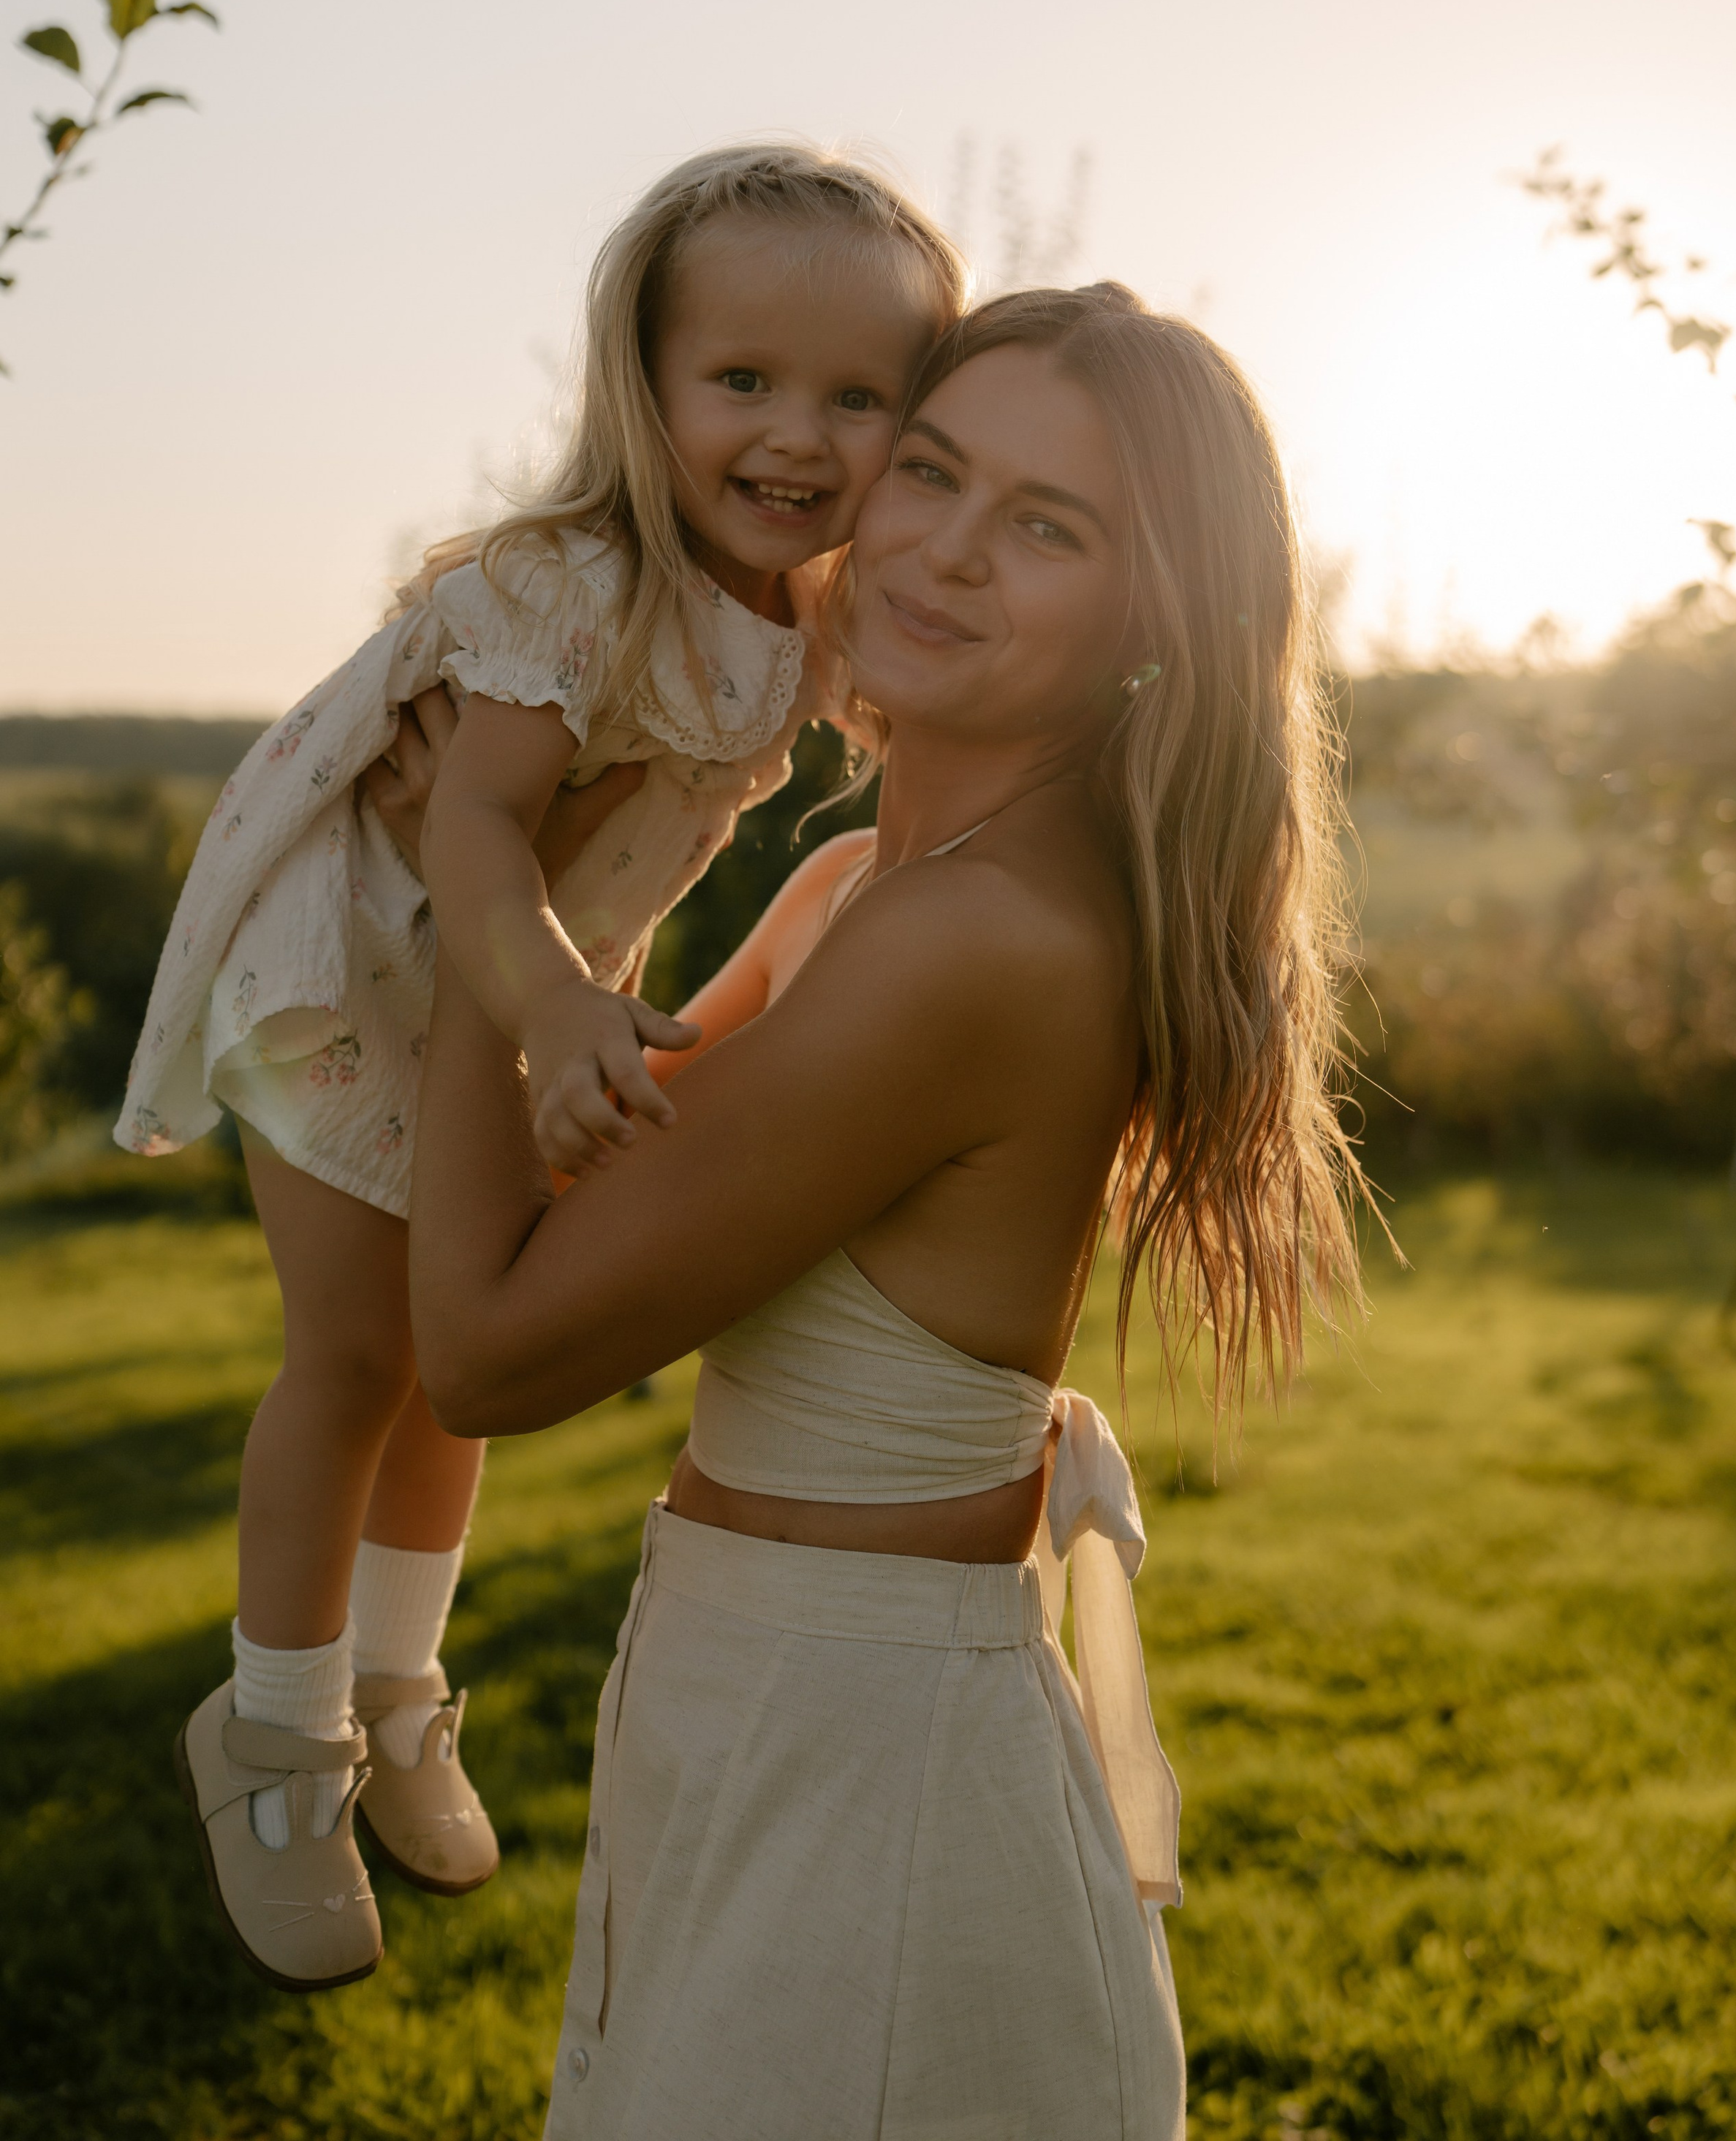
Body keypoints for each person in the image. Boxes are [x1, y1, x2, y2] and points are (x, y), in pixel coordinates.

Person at [399, 280, 1368, 2138]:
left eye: (1045, 526)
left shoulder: (971, 941)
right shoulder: (864, 877)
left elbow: (489, 1343)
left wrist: (484, 871)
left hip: (872, 1780)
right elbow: (572, 1170)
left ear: (1151, 620)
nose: (937, 550)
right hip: (760, 1693)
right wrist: (538, 942)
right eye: (928, 473)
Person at [143, 144, 966, 1990]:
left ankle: (396, 1684)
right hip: (361, 970)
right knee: (357, 1355)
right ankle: (274, 1737)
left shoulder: (802, 617)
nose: (795, 434)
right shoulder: (569, 583)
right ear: (645, 388)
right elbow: (473, 836)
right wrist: (568, 1010)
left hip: (530, 994)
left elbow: (929, 720)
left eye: (860, 396)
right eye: (741, 381)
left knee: (462, 1358)